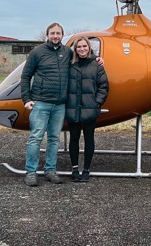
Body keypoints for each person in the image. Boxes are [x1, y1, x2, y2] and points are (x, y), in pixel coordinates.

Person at [20, 23, 103, 187]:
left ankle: (50, 170)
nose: (55, 36)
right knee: (36, 138)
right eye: (53, 33)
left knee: (54, 139)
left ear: (62, 35)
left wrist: (97, 58)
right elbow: (25, 76)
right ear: (48, 35)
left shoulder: (67, 52)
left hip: (60, 105)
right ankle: (30, 172)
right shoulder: (37, 52)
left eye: (58, 33)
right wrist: (26, 98)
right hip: (41, 102)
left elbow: (83, 56)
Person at [66, 36, 109, 182]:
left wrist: (96, 103)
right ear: (75, 49)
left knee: (89, 139)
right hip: (73, 109)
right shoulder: (69, 65)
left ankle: (86, 169)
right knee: (74, 139)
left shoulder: (96, 65)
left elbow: (104, 86)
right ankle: (74, 169)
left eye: (84, 46)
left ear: (89, 47)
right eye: (79, 47)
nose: (82, 49)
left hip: (90, 109)